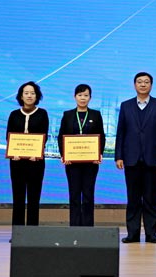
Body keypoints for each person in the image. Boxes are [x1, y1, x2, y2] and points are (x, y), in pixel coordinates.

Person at [115, 72, 156, 244]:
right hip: (131, 159)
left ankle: (151, 234)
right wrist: (118, 156)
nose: (143, 84)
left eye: (146, 82)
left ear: (151, 85)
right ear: (134, 85)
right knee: (132, 199)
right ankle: (132, 234)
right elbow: (121, 133)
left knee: (150, 198)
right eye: (139, 82)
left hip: (152, 158)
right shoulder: (125, 106)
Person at [58, 83, 106, 226]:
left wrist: (99, 154)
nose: (83, 98)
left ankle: (88, 226)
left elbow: (101, 136)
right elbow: (61, 136)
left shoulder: (96, 115)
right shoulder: (67, 115)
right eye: (80, 95)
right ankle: (74, 226)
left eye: (86, 95)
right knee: (74, 194)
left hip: (91, 162)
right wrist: (64, 155)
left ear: (90, 97)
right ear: (75, 97)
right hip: (72, 162)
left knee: (88, 195)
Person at [6, 81, 49, 227]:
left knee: (34, 198)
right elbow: (9, 136)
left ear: (37, 96)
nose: (29, 96)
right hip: (17, 162)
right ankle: (17, 232)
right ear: (21, 96)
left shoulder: (42, 113)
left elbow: (44, 136)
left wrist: (37, 152)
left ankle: (32, 232)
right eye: (26, 93)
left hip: (36, 162)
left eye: (32, 93)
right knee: (17, 197)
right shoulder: (14, 114)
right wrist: (13, 152)